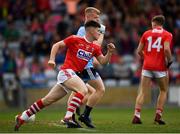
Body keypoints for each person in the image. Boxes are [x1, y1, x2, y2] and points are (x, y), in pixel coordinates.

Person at [14, 20, 115, 131]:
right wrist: (52, 59)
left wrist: (109, 52)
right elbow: (56, 45)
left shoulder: (95, 48)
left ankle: (22, 117)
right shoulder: (75, 39)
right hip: (66, 72)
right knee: (83, 90)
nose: (100, 33)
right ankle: (68, 117)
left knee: (47, 100)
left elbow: (103, 62)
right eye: (97, 30)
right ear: (90, 30)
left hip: (72, 76)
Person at [61, 7, 106, 128]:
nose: (98, 20)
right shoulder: (83, 30)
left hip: (84, 66)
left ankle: (70, 117)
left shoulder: (87, 30)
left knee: (78, 92)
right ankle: (84, 115)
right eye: (96, 17)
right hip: (86, 67)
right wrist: (101, 32)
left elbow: (92, 49)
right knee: (100, 89)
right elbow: (96, 45)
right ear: (89, 17)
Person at [132, 15, 173, 125]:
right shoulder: (168, 34)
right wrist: (170, 61)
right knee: (163, 90)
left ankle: (136, 115)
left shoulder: (146, 33)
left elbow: (138, 51)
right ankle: (158, 116)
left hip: (147, 66)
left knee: (142, 91)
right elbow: (167, 49)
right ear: (162, 24)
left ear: (153, 23)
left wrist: (147, 58)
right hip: (160, 67)